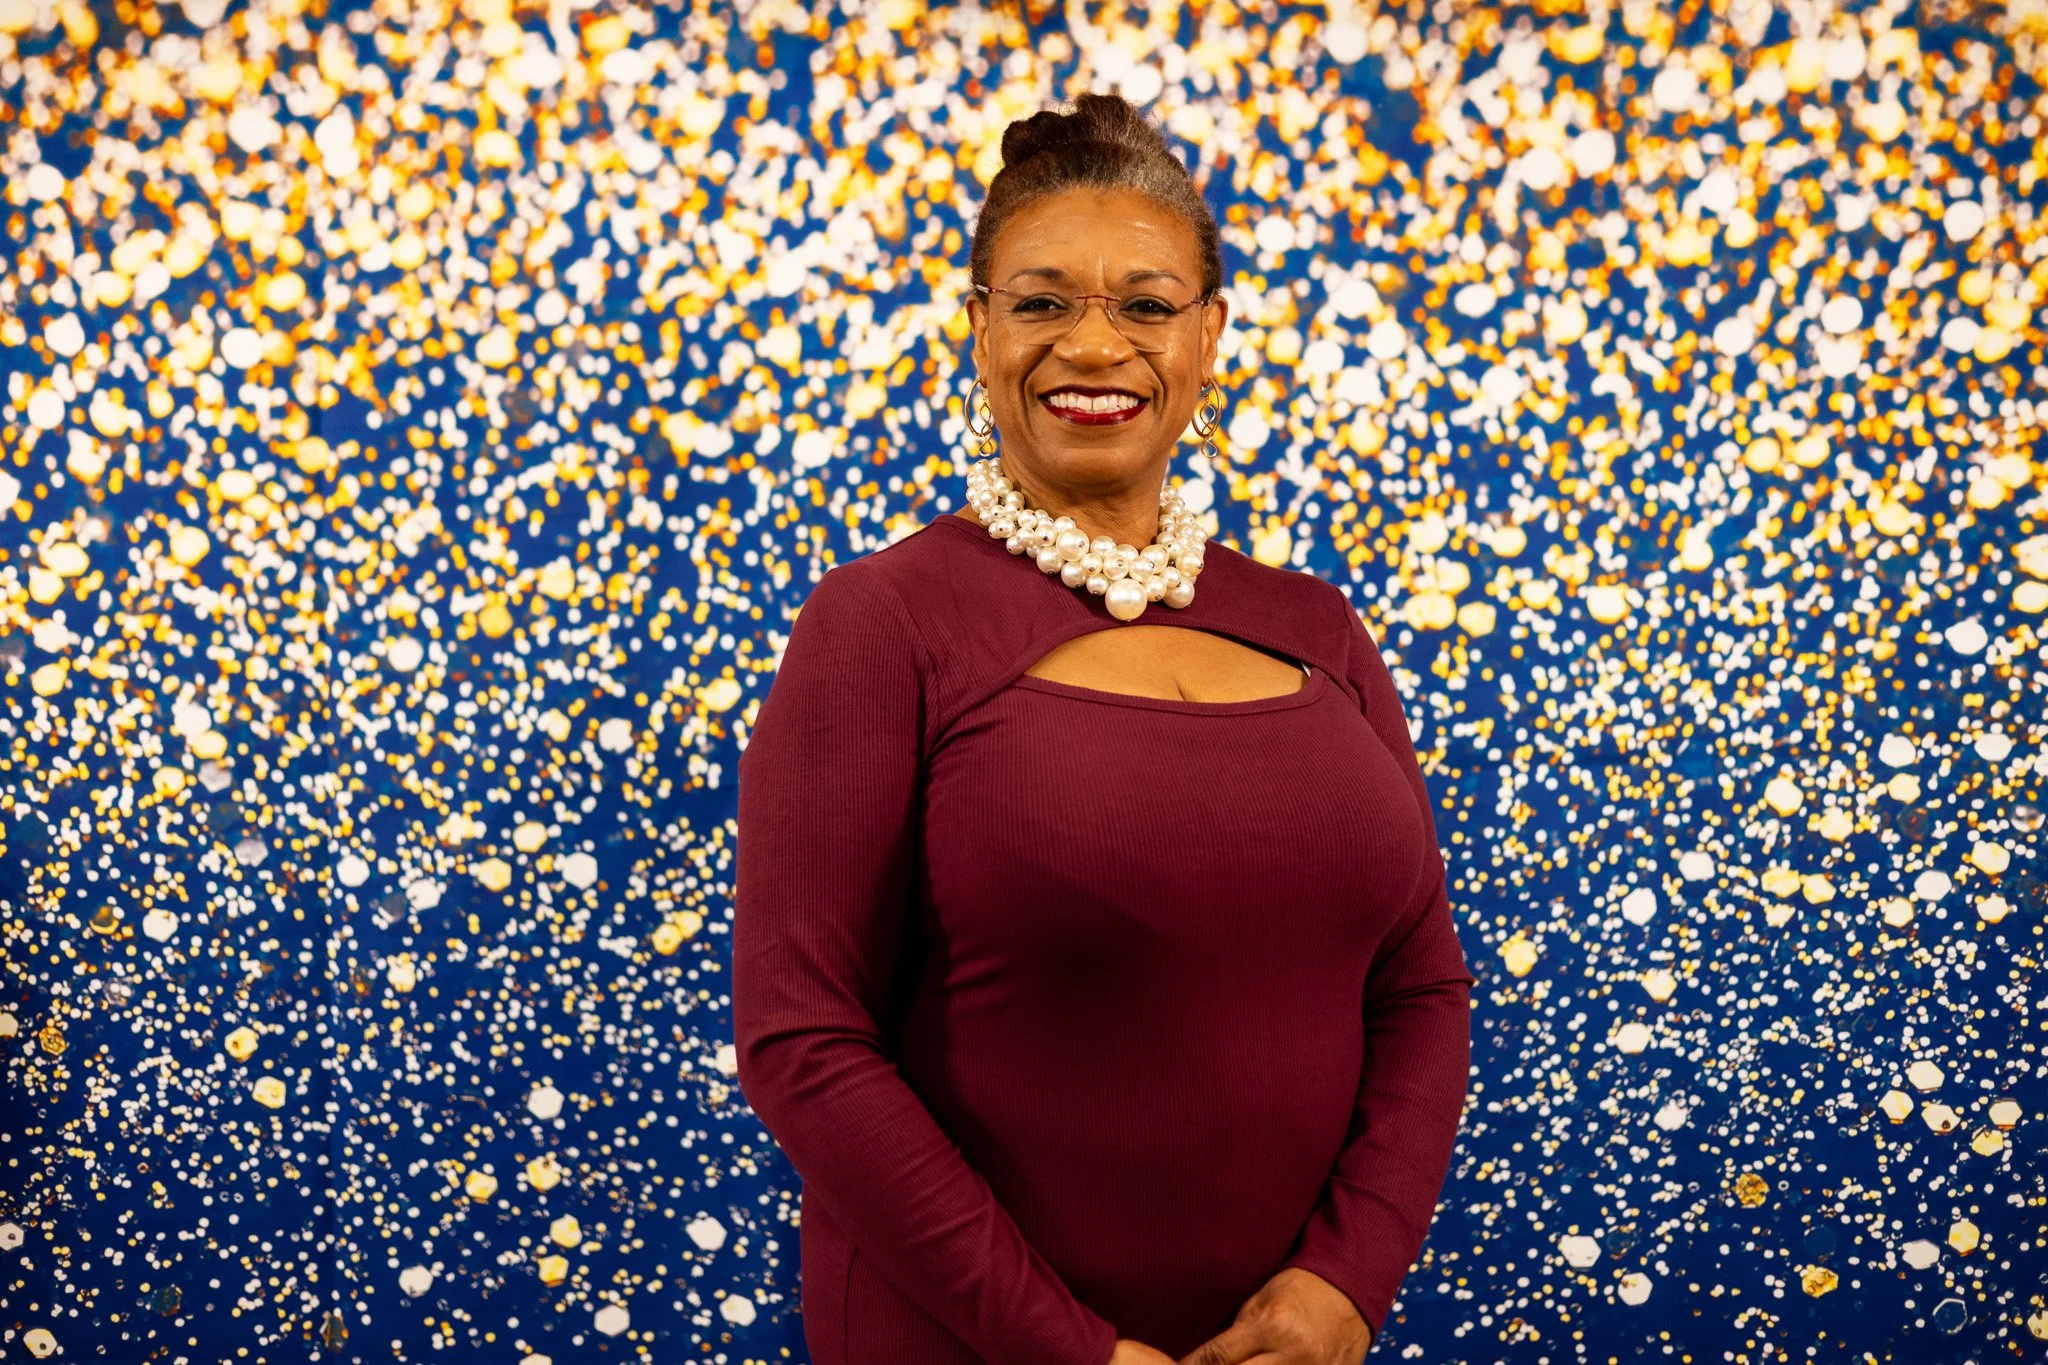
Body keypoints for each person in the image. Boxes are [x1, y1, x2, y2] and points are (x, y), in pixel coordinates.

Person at [734, 92, 1476, 1365]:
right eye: (1040, 302)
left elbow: (1420, 988)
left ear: (1206, 339)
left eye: (1143, 304)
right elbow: (804, 1041)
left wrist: (1343, 1286)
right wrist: (1069, 1350)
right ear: (977, 332)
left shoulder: (1317, 625)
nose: (1093, 345)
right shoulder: (883, 625)